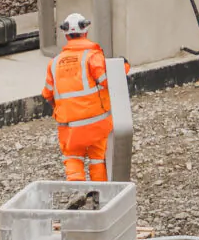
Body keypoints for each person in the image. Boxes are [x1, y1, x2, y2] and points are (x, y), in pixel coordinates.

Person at [41, 12, 132, 181]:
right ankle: (99, 194)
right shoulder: (92, 56)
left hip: (69, 126)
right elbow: (108, 80)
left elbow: (47, 94)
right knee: (98, 157)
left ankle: (78, 189)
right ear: (85, 32)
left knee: (73, 157)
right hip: (97, 123)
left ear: (66, 35)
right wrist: (124, 66)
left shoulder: (53, 64)